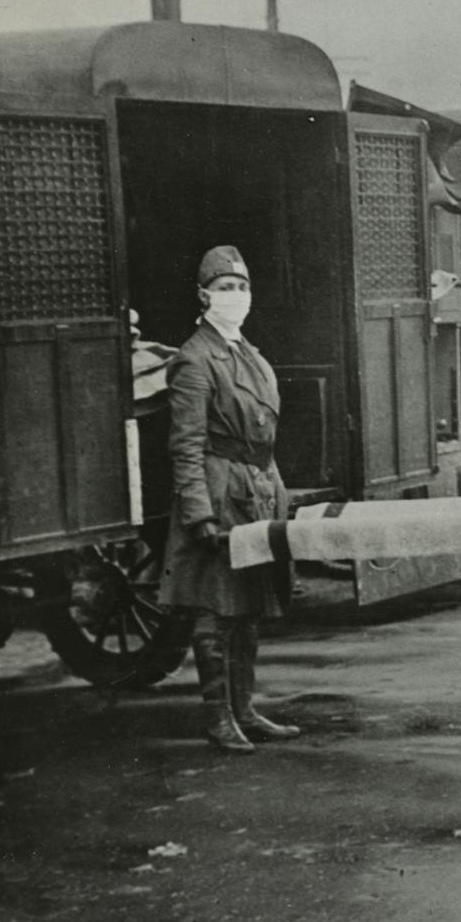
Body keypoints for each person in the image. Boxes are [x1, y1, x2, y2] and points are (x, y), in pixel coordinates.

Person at [159, 246, 299, 753]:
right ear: (204, 296)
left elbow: (264, 436)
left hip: (255, 489)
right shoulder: (195, 359)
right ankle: (218, 718)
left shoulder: (250, 355)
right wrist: (199, 512)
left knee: (249, 607)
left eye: (241, 287)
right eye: (224, 288)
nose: (235, 297)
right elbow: (186, 445)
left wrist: (277, 496)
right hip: (219, 493)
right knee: (215, 611)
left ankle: (245, 710)